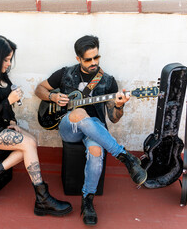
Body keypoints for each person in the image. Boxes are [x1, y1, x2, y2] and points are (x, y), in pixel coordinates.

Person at [34, 35, 147, 225]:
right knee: (78, 113)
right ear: (78, 59)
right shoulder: (65, 73)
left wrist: (120, 106)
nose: (94, 62)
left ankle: (87, 200)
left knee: (96, 150)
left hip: (95, 129)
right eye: (88, 59)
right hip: (68, 126)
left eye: (97, 57)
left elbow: (114, 118)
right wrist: (53, 98)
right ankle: (124, 156)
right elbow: (39, 89)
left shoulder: (108, 81)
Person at [0, 35, 72, 217]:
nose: (8, 64)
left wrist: (13, 122)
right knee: (27, 144)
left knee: (32, 140)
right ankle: (42, 197)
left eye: (10, 59)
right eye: (6, 60)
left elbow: (5, 108)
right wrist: (8, 100)